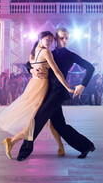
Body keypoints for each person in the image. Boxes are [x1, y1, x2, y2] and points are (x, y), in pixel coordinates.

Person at [15, 28, 95, 161]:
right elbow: (29, 63)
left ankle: (24, 152)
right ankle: (86, 146)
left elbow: (90, 68)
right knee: (60, 125)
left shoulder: (70, 55)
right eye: (62, 38)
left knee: (38, 119)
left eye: (67, 38)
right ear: (56, 39)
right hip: (47, 90)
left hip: (58, 92)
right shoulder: (48, 53)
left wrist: (82, 84)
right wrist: (32, 70)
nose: (65, 41)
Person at [0, 31, 74, 159]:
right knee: (37, 119)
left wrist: (32, 70)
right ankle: (12, 140)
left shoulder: (33, 52)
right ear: (40, 39)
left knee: (52, 119)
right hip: (43, 87)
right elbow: (57, 71)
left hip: (33, 85)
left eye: (51, 41)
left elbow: (32, 66)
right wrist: (67, 87)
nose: (49, 43)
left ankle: (60, 146)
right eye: (47, 40)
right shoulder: (46, 52)